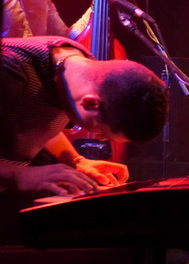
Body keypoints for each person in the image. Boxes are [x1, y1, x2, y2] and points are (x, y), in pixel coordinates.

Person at [1, 35, 168, 240]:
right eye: (102, 133)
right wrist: (19, 175)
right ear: (90, 104)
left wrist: (76, 161)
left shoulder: (78, 69)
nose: (100, 139)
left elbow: (38, 118)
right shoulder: (10, 71)